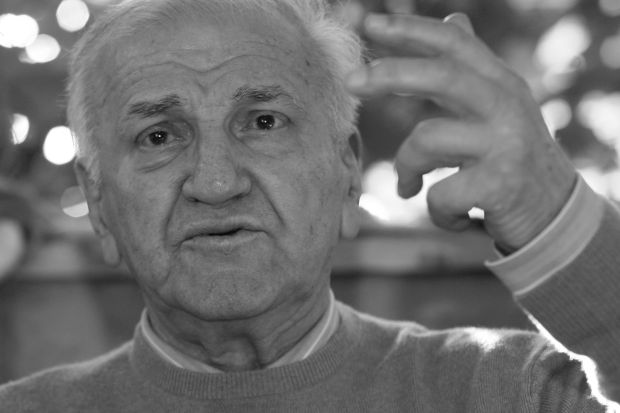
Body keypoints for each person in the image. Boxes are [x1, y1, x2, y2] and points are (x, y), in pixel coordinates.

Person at [1, 0, 618, 411]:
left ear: (347, 173)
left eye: (263, 122)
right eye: (158, 136)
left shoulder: (513, 391)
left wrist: (561, 222)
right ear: (99, 205)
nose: (215, 182)